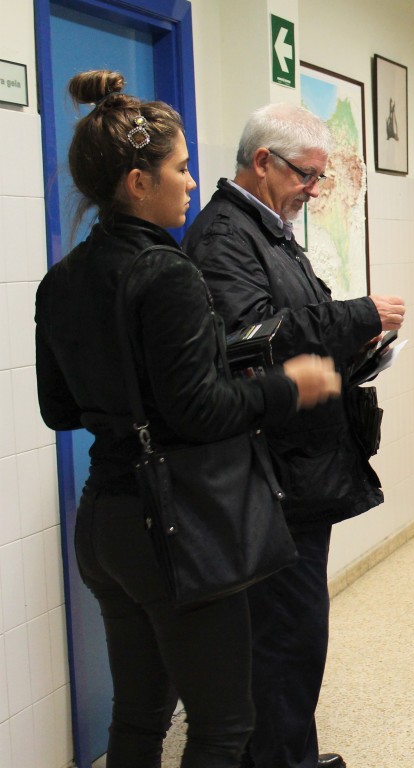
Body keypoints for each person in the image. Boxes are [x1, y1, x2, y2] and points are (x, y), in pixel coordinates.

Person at [35, 70, 341, 768]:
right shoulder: (167, 273)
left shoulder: (64, 278)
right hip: (170, 524)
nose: (193, 183)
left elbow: (59, 410)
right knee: (223, 726)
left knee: (138, 718)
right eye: (179, 168)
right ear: (138, 183)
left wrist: (130, 396)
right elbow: (202, 411)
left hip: (103, 521)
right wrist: (286, 385)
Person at [183, 103, 407, 768]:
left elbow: (294, 331)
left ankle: (293, 755)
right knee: (282, 639)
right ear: (262, 163)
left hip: (300, 470)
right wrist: (354, 313)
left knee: (298, 635)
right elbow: (252, 341)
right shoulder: (225, 238)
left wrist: (363, 346)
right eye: (308, 176)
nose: (314, 191)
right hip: (267, 475)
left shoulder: (269, 231)